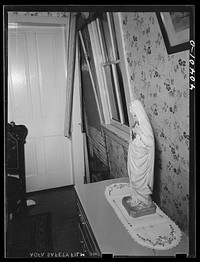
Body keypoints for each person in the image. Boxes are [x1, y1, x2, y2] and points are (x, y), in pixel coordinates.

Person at [126, 99, 155, 211]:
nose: (130, 110)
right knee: (133, 177)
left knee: (139, 179)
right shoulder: (136, 122)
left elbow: (149, 143)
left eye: (132, 108)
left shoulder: (144, 124)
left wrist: (139, 133)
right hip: (134, 154)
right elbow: (133, 138)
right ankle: (136, 198)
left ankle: (145, 201)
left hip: (141, 158)